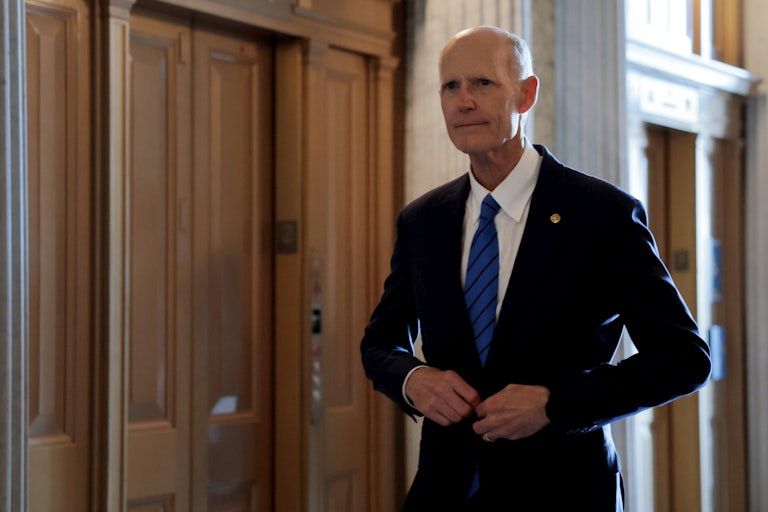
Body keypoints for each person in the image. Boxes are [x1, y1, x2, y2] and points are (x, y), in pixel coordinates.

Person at [360, 25, 711, 511]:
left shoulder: (602, 215)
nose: (463, 101)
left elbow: (684, 358)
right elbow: (380, 343)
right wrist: (412, 379)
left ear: (526, 95)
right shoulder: (424, 220)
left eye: (482, 83)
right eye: (450, 86)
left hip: (564, 490)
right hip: (444, 490)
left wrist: (554, 405)